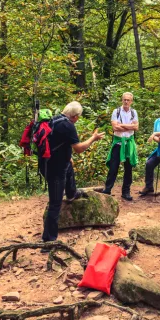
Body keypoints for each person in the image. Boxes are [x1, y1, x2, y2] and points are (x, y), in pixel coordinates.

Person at [41, 101, 104, 242]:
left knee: (69, 168)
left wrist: (67, 156)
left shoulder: (54, 119)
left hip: (48, 163)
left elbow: (56, 142)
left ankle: (71, 193)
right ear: (75, 116)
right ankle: (48, 240)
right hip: (55, 169)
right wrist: (93, 138)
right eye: (79, 117)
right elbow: (79, 148)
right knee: (55, 204)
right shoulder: (68, 125)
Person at [101, 92, 138, 201]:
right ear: (122, 100)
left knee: (128, 168)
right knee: (113, 167)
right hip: (117, 143)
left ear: (131, 101)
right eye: (124, 99)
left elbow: (136, 127)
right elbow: (115, 128)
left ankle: (126, 192)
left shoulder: (133, 112)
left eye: (128, 100)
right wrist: (129, 127)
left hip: (129, 143)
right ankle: (107, 189)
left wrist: (121, 125)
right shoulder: (116, 112)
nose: (126, 102)